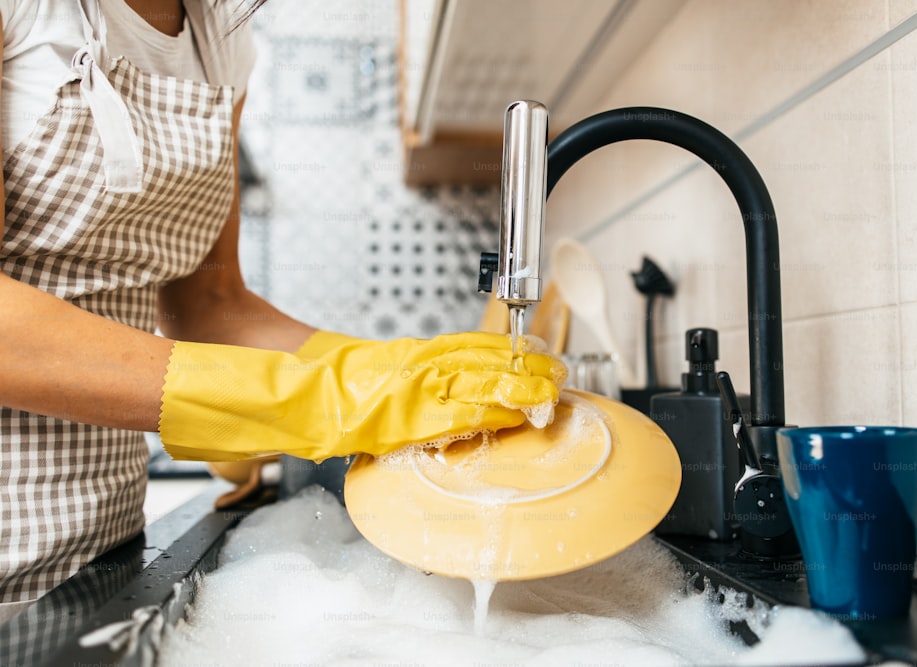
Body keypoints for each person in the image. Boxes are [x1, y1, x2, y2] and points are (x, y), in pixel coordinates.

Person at [0, 0, 562, 618]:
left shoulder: (222, 46)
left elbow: (212, 305)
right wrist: (327, 399)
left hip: (97, 557)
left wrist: (396, 366)